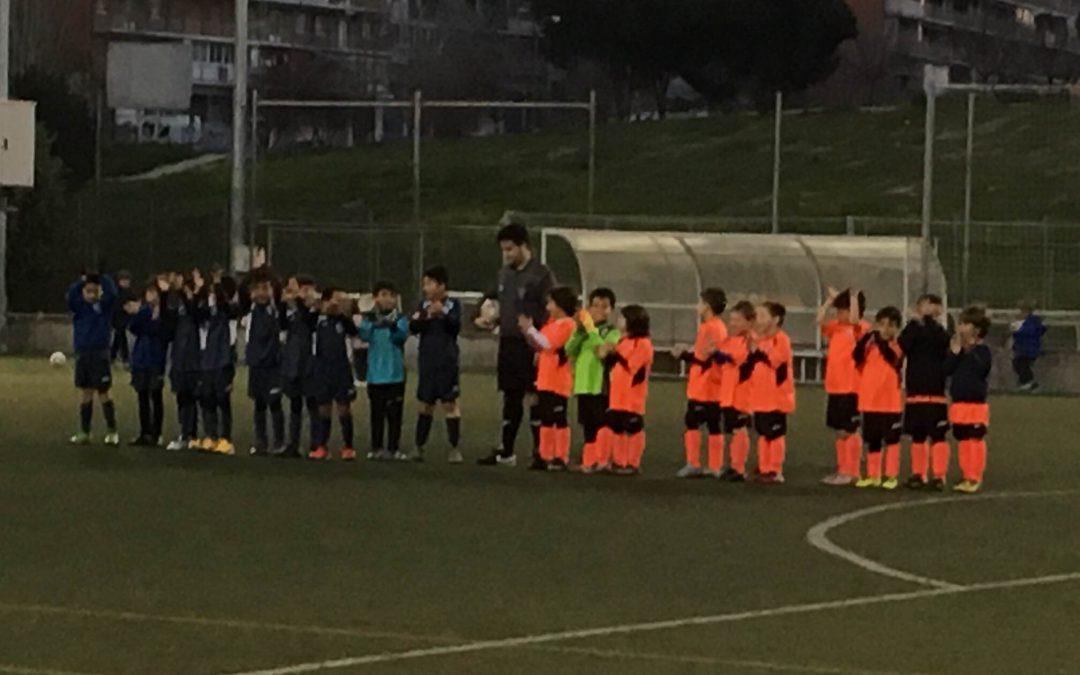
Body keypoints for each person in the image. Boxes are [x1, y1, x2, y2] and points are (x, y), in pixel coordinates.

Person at [476, 222, 555, 468]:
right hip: (508, 342)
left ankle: (540, 452)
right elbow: (492, 300)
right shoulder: (505, 274)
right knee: (510, 396)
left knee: (534, 397)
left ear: (524, 246)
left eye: (510, 249)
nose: (507, 254)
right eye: (503, 250)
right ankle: (506, 451)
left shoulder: (541, 275)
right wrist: (486, 318)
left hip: (532, 344)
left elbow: (553, 310)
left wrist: (541, 341)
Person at [409, 266, 464, 464]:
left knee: (450, 404)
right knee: (425, 404)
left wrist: (443, 314)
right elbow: (413, 326)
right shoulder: (422, 305)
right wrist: (427, 316)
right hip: (427, 362)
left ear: (441, 286)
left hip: (447, 362)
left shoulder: (453, 305)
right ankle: (419, 446)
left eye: (429, 284)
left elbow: (456, 326)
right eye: (425, 284)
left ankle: (454, 448)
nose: (426, 288)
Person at [521, 286, 578, 471]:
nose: (548, 306)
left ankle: (560, 456)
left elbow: (549, 344)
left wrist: (529, 329)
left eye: (551, 302)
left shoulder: (567, 324)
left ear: (559, 305)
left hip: (558, 381)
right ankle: (545, 454)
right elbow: (541, 344)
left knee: (558, 418)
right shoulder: (553, 323)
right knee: (545, 417)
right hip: (545, 379)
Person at [674, 288, 728, 479]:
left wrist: (683, 354)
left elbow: (704, 357)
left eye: (700, 303)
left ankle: (694, 463)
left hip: (705, 385)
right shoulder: (717, 326)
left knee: (694, 423)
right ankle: (714, 466)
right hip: (712, 385)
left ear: (707, 306)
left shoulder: (710, 328)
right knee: (713, 425)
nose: (698, 306)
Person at [565, 288, 620, 473]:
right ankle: (589, 462)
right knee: (588, 424)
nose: (598, 310)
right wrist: (580, 332)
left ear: (610, 310)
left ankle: (604, 460)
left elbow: (601, 353)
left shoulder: (612, 332)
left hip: (601, 385)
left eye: (604, 307)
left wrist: (591, 330)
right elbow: (569, 350)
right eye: (594, 306)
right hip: (583, 385)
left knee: (602, 423)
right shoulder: (584, 331)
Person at [899, 294, 951, 490]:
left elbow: (942, 344)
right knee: (917, 435)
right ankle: (918, 473)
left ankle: (939, 475)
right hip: (915, 391)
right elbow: (903, 345)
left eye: (935, 305)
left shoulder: (940, 331)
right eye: (927, 305)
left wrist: (925, 322)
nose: (931, 308)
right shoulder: (912, 328)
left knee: (938, 435)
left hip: (935, 392)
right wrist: (915, 324)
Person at [818, 287, 868, 486]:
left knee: (850, 429)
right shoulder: (836, 328)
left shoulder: (860, 328)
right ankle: (842, 469)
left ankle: (852, 470)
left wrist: (854, 298)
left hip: (851, 386)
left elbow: (855, 321)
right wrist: (828, 302)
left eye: (843, 310)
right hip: (835, 386)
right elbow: (820, 320)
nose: (839, 315)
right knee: (839, 430)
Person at [854, 307, 905, 490]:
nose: (884, 329)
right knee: (872, 440)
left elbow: (893, 359)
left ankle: (891, 475)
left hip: (890, 403)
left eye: (890, 326)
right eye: (881, 324)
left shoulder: (897, 346)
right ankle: (872, 474)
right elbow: (856, 357)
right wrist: (864, 341)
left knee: (891, 440)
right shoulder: (870, 346)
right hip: (869, 401)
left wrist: (880, 340)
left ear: (896, 329)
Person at [67, 272, 120, 446]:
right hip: (83, 354)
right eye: (87, 291)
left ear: (99, 292)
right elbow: (70, 296)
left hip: (100, 354)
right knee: (86, 392)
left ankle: (112, 431)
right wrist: (81, 281)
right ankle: (84, 432)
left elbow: (112, 293)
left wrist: (102, 277)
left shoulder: (104, 307)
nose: (90, 294)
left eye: (94, 291)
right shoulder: (79, 307)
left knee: (103, 391)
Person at [360, 282, 410, 461]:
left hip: (395, 374)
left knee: (395, 414)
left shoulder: (400, 318)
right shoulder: (369, 319)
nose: (387, 299)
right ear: (375, 298)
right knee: (376, 414)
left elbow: (401, 337)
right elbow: (364, 335)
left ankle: (394, 447)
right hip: (375, 374)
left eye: (390, 295)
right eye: (383, 294)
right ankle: (377, 447)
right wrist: (374, 322)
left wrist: (391, 324)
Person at [308, 288, 360, 461]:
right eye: (335, 300)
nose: (337, 303)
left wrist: (344, 315)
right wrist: (316, 308)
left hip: (341, 370)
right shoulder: (316, 320)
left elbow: (354, 332)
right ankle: (322, 446)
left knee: (344, 409)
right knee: (323, 410)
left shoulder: (343, 321)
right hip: (322, 370)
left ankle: (348, 446)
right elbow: (306, 323)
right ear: (325, 301)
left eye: (340, 300)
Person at [746, 301, 794, 484]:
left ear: (775, 319)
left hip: (777, 398)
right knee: (763, 433)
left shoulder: (781, 340)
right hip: (760, 397)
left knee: (775, 434)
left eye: (762, 316)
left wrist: (758, 350)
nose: (758, 320)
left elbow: (775, 360)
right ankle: (764, 467)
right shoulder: (760, 340)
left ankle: (775, 469)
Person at [947, 307, 993, 493]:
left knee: (975, 439)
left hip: (975, 403)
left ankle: (975, 476)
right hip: (959, 402)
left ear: (977, 329)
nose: (961, 327)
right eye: (960, 323)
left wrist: (969, 349)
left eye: (965, 324)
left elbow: (982, 369)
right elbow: (947, 369)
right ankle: (966, 475)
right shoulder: (956, 348)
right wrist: (956, 352)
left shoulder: (983, 350)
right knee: (963, 439)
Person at [194, 275, 242, 455]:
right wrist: (199, 292)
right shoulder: (207, 308)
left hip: (223, 360)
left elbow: (230, 309)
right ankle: (210, 436)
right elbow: (196, 313)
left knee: (222, 398)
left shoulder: (228, 309)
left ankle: (226, 439)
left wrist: (219, 291)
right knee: (207, 398)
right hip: (207, 360)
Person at [604, 305, 654, 476]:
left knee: (632, 427)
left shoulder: (643, 344)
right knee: (616, 425)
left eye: (622, 318)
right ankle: (619, 461)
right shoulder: (623, 341)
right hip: (617, 394)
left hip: (633, 396)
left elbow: (632, 366)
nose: (619, 321)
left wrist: (615, 353)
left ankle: (632, 463)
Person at [245, 268, 286, 457]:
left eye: (265, 288)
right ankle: (261, 442)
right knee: (259, 404)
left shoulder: (277, 310)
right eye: (258, 289)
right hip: (256, 365)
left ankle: (279, 442)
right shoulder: (249, 311)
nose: (262, 292)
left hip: (273, 365)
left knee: (275, 403)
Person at [716, 300, 756, 482]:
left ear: (749, 322)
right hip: (727, 393)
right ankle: (733, 465)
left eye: (737, 320)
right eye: (731, 319)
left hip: (742, 393)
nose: (732, 323)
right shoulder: (730, 339)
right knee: (733, 429)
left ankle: (739, 467)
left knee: (740, 428)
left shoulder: (750, 341)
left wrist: (714, 353)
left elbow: (735, 359)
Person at [126, 279, 169, 446]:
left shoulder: (164, 313)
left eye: (154, 292)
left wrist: (150, 324)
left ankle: (156, 434)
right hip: (141, 359)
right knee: (142, 396)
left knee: (155, 396)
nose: (150, 296)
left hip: (156, 360)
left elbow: (161, 332)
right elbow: (133, 327)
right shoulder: (144, 311)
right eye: (148, 292)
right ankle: (144, 432)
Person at [280, 275, 319, 458]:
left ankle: (316, 444)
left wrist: (297, 301)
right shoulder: (292, 310)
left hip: (310, 363)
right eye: (303, 290)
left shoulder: (315, 312)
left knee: (312, 404)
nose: (305, 294)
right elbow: (281, 324)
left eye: (308, 290)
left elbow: (308, 321)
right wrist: (284, 303)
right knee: (295, 403)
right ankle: (293, 444)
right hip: (294, 362)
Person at [163, 271, 202, 451]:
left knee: (191, 396)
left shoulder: (196, 301)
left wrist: (187, 295)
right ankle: (185, 433)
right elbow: (168, 323)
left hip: (193, 356)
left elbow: (196, 315)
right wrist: (166, 295)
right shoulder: (174, 302)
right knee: (181, 396)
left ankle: (191, 434)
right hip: (179, 355)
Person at [1011, 300, 1046, 392]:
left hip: (1029, 348)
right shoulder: (1024, 321)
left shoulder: (1032, 321)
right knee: (1019, 364)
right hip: (1023, 348)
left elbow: (1024, 332)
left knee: (1021, 364)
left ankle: (1028, 383)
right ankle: (1026, 383)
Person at [110, 270, 135, 366]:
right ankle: (124, 358)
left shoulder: (130, 293)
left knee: (119, 336)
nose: (126, 283)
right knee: (120, 335)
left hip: (126, 318)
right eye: (123, 280)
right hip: (116, 318)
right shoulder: (116, 292)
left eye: (127, 280)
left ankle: (114, 356)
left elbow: (133, 305)